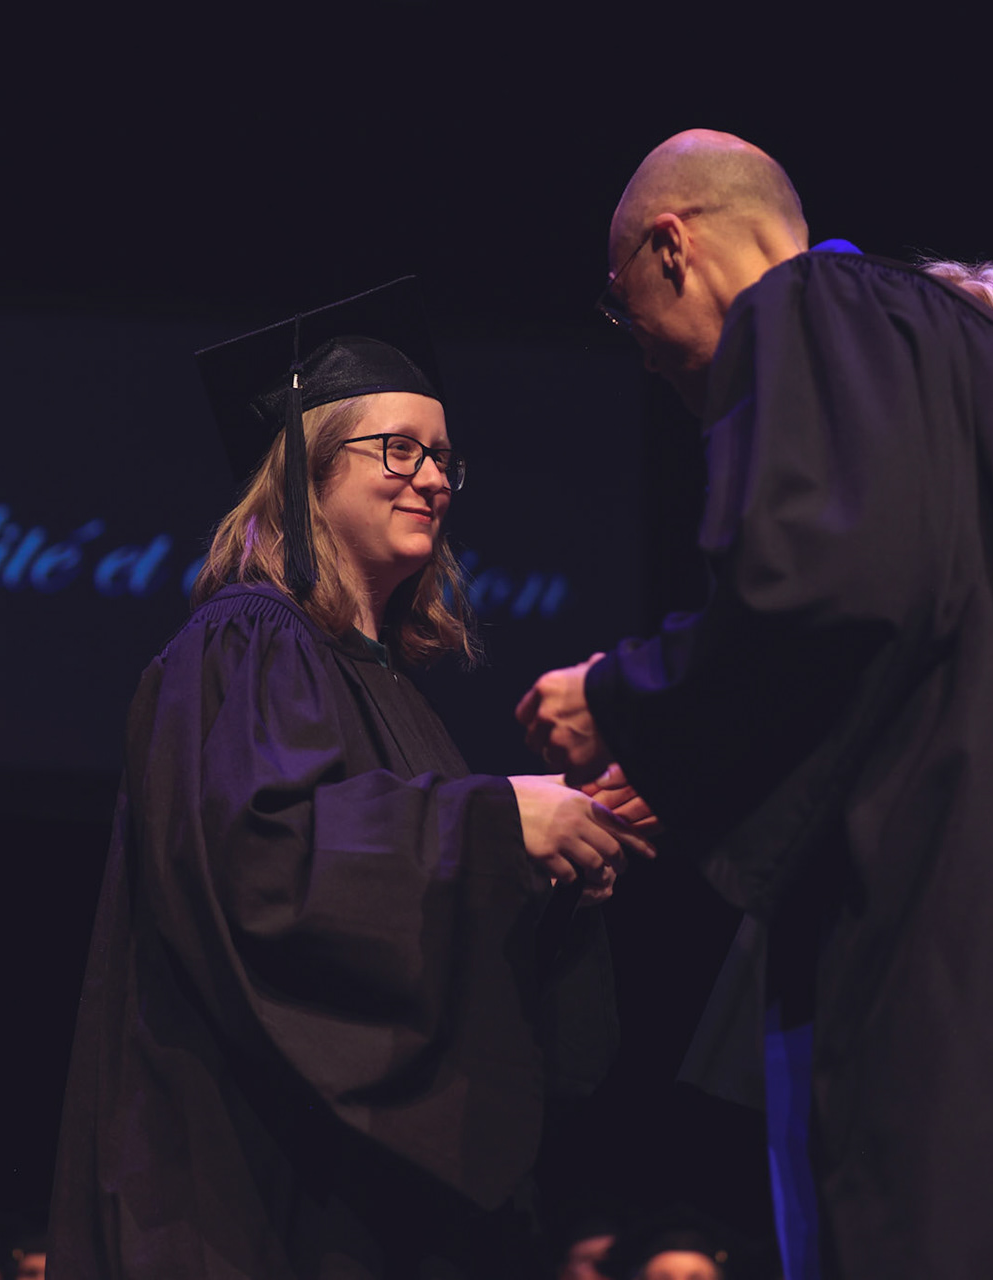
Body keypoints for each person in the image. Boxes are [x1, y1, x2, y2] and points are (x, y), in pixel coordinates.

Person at [516, 130, 993, 1278]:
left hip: (950, 950)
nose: (645, 359)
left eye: (626, 312)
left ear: (672, 248)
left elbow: (822, 586)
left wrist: (624, 698)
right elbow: (912, 636)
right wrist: (698, 757)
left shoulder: (806, 310)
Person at [48, 276, 641, 1279]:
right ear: (307, 471)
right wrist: (497, 823)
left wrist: (558, 870)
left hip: (365, 1210)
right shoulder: (247, 639)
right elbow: (263, 862)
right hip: (250, 1189)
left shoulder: (390, 687)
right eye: (398, 449)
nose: (433, 479)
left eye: (444, 457)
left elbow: (414, 926)